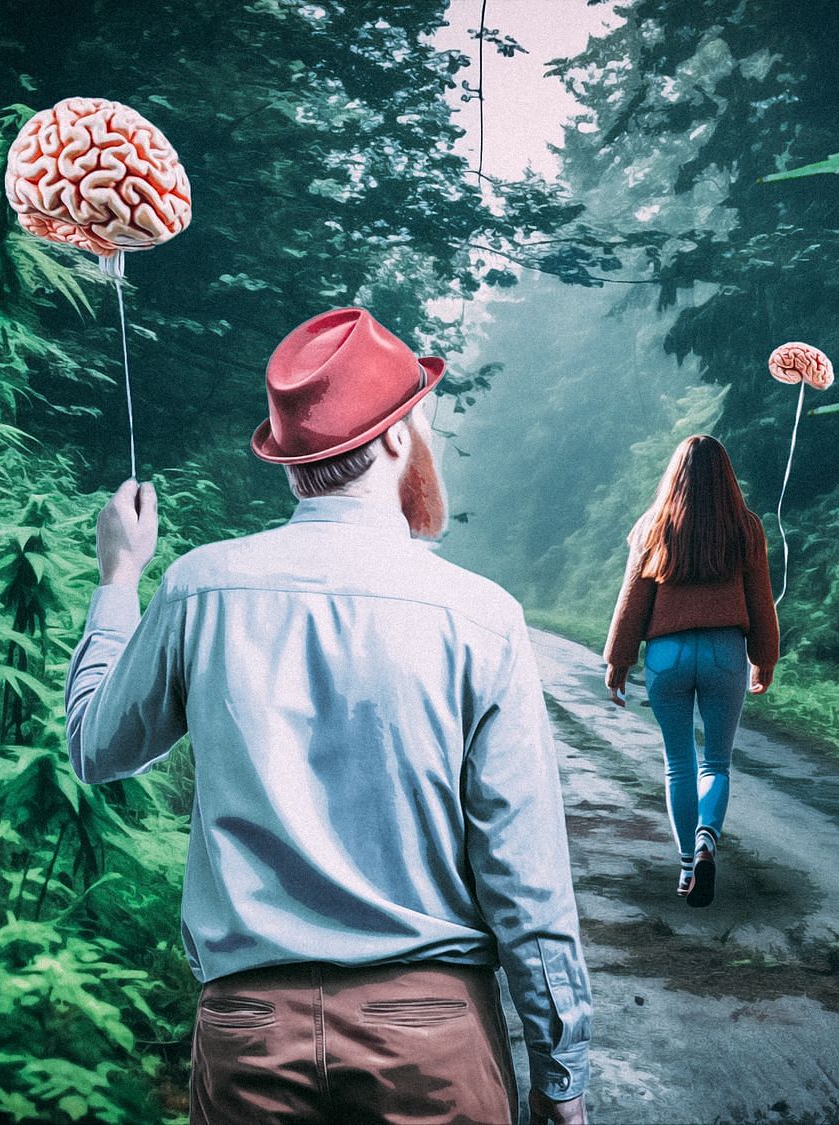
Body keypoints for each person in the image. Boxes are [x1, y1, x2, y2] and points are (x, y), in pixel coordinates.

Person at [65, 306, 592, 1125]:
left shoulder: (201, 588)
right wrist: (561, 1074)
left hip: (250, 1034)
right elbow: (525, 876)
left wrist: (119, 578)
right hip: (430, 1038)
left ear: (289, 460)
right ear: (392, 440)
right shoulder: (480, 615)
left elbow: (98, 749)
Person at [601, 435, 780, 909]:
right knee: (716, 763)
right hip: (725, 651)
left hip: (667, 654)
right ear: (726, 476)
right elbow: (761, 599)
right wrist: (766, 656)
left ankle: (686, 868)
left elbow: (632, 599)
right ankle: (706, 842)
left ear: (674, 476)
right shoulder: (747, 528)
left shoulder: (652, 526)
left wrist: (619, 660)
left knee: (678, 762)